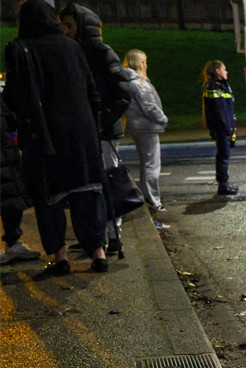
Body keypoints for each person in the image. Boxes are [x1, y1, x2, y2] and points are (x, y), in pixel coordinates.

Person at [4, 0, 108, 274]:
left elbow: (15, 96)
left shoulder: (21, 49)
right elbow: (91, 90)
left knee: (48, 197)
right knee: (87, 192)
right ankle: (97, 252)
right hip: (82, 135)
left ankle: (60, 256)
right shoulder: (72, 46)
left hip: (45, 137)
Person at [59, 2, 131, 255]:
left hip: (103, 132)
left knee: (108, 181)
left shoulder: (101, 52)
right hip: (86, 132)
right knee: (90, 185)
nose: (65, 30)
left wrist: (101, 122)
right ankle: (97, 234)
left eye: (69, 25)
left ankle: (114, 236)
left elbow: (122, 94)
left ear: (82, 26)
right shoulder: (72, 53)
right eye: (62, 26)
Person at [122, 49, 168, 212]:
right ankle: (153, 200)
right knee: (152, 166)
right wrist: (162, 118)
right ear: (138, 64)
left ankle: (149, 198)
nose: (146, 65)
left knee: (146, 164)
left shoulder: (128, 81)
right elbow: (149, 107)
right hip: (146, 127)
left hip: (137, 126)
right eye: (144, 62)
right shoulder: (139, 83)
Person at [1, 94, 42, 266]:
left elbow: (10, 119)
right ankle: (13, 241)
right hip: (5, 149)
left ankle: (13, 241)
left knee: (12, 201)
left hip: (5, 151)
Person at [201, 60, 239, 196]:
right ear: (217, 71)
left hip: (224, 127)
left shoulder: (221, 86)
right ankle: (223, 185)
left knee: (224, 155)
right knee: (223, 156)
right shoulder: (214, 86)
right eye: (224, 69)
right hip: (222, 128)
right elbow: (219, 110)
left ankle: (224, 183)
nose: (226, 72)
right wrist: (227, 128)